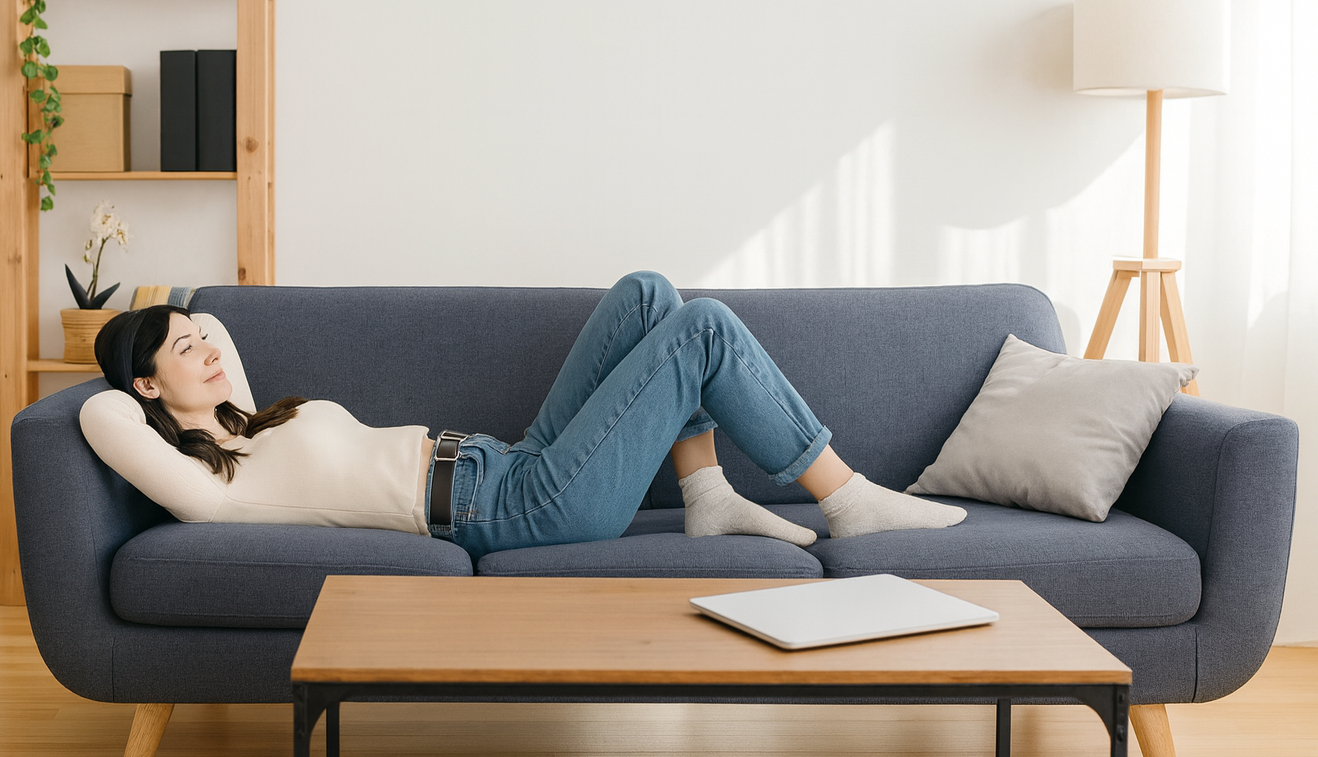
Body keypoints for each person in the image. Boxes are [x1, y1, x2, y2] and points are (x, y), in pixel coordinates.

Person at [83, 271, 964, 562]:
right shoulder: (211, 484)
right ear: (148, 390)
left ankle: (707, 493)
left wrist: (182, 326)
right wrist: (129, 364)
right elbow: (102, 420)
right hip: (518, 507)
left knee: (647, 294)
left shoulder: (245, 420)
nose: (205, 345)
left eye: (202, 335)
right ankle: (846, 497)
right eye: (180, 346)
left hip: (509, 461)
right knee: (701, 327)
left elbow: (219, 331)